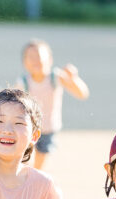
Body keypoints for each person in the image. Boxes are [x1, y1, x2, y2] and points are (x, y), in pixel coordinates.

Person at [14, 39, 89, 170]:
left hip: (48, 128)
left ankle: (35, 179)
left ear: (49, 60)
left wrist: (73, 79)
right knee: (22, 158)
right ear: (24, 63)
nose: (36, 60)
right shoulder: (23, 82)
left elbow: (82, 94)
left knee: (40, 161)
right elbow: (14, 104)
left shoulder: (56, 77)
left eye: (39, 56)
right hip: (27, 128)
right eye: (31, 57)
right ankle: (22, 179)